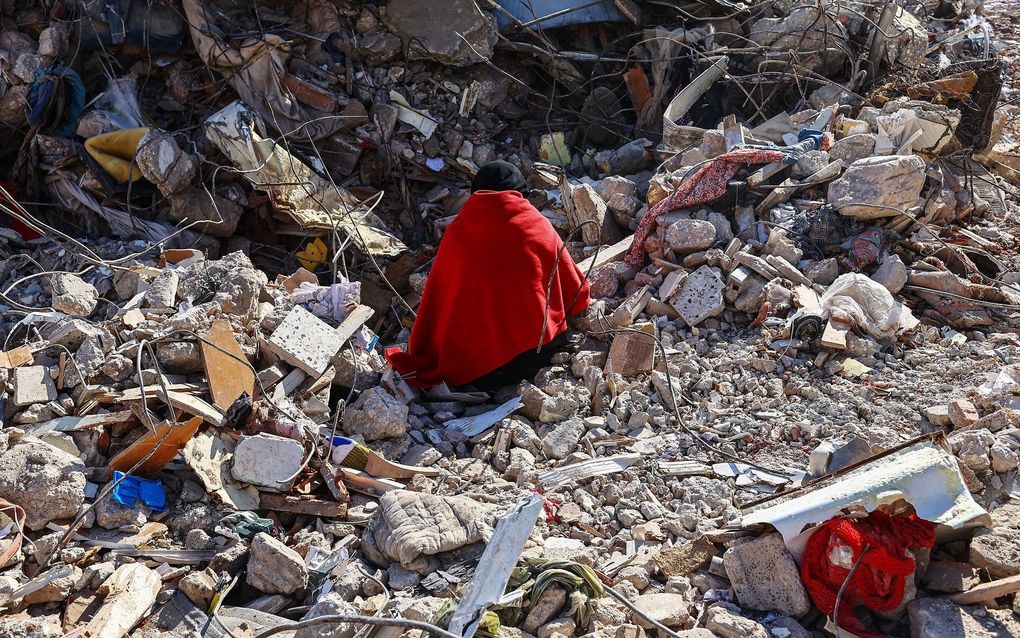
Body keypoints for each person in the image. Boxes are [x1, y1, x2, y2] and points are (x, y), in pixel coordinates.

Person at [385, 161, 591, 390]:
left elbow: (440, 301)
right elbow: (577, 291)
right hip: (541, 353)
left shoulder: (459, 233)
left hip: (479, 374)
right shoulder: (537, 224)